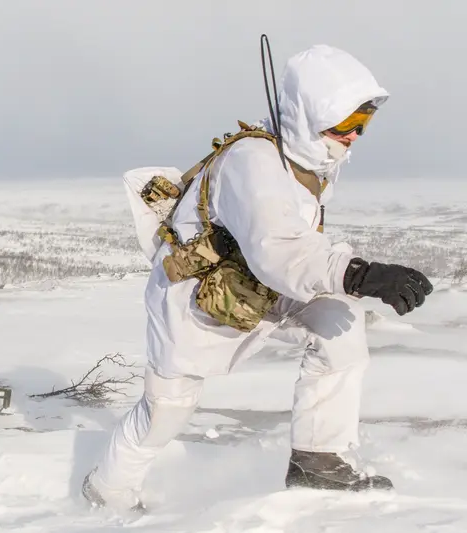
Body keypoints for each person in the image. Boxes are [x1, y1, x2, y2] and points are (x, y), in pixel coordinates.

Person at [81, 41, 434, 513]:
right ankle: (108, 491)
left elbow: (292, 244)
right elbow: (279, 250)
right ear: (310, 113)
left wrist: (349, 279)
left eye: (363, 124)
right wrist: (360, 274)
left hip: (257, 287)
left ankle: (319, 460)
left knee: (339, 326)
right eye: (348, 123)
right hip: (193, 300)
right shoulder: (255, 161)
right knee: (166, 412)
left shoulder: (308, 158)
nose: (355, 136)